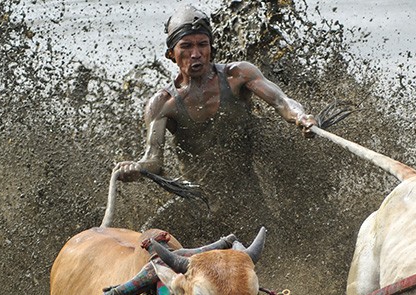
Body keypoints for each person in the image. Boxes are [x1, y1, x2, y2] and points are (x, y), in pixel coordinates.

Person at [116, 4, 317, 183]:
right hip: (194, 198)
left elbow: (282, 102)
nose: (196, 54)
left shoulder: (238, 75)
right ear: (171, 55)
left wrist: (301, 117)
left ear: (211, 48)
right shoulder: (162, 103)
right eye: (186, 46)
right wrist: (138, 168)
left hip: (247, 191)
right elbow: (154, 160)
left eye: (202, 44)